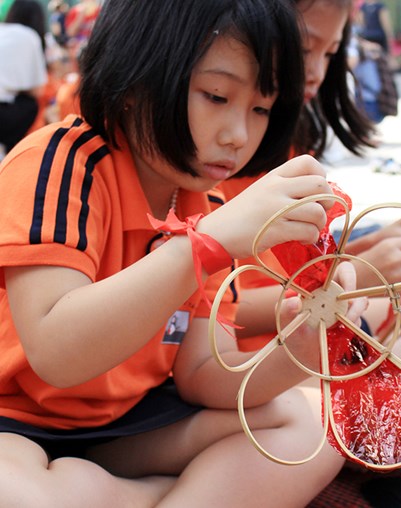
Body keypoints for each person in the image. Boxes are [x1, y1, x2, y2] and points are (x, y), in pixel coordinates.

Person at [0, 1, 364, 506]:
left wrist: (299, 350)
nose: (238, 134)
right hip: (16, 424)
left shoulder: (203, 201)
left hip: (128, 428)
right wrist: (204, 244)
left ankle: (126, 494)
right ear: (137, 76)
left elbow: (200, 375)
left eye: (260, 108)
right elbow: (57, 355)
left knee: (321, 421)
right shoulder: (59, 162)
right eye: (217, 96)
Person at [220, 0, 401, 384]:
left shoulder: (284, 136)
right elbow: (219, 308)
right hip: (270, 348)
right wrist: (362, 277)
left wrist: (375, 248)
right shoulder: (223, 152)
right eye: (304, 50)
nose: (317, 71)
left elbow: (295, 266)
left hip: (305, 319)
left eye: (331, 53)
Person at [0, 0, 47, 156]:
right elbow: (37, 91)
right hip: (5, 116)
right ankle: (12, 152)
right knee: (30, 103)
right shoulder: (30, 36)